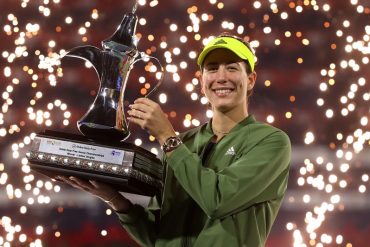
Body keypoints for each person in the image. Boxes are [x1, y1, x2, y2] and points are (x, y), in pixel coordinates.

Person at [59, 34, 291, 247]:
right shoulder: (183, 143)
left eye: (232, 68)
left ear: (250, 79)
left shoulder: (271, 142)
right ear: (201, 81)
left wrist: (167, 138)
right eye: (212, 69)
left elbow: (218, 201)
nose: (221, 77)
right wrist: (116, 201)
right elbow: (159, 236)